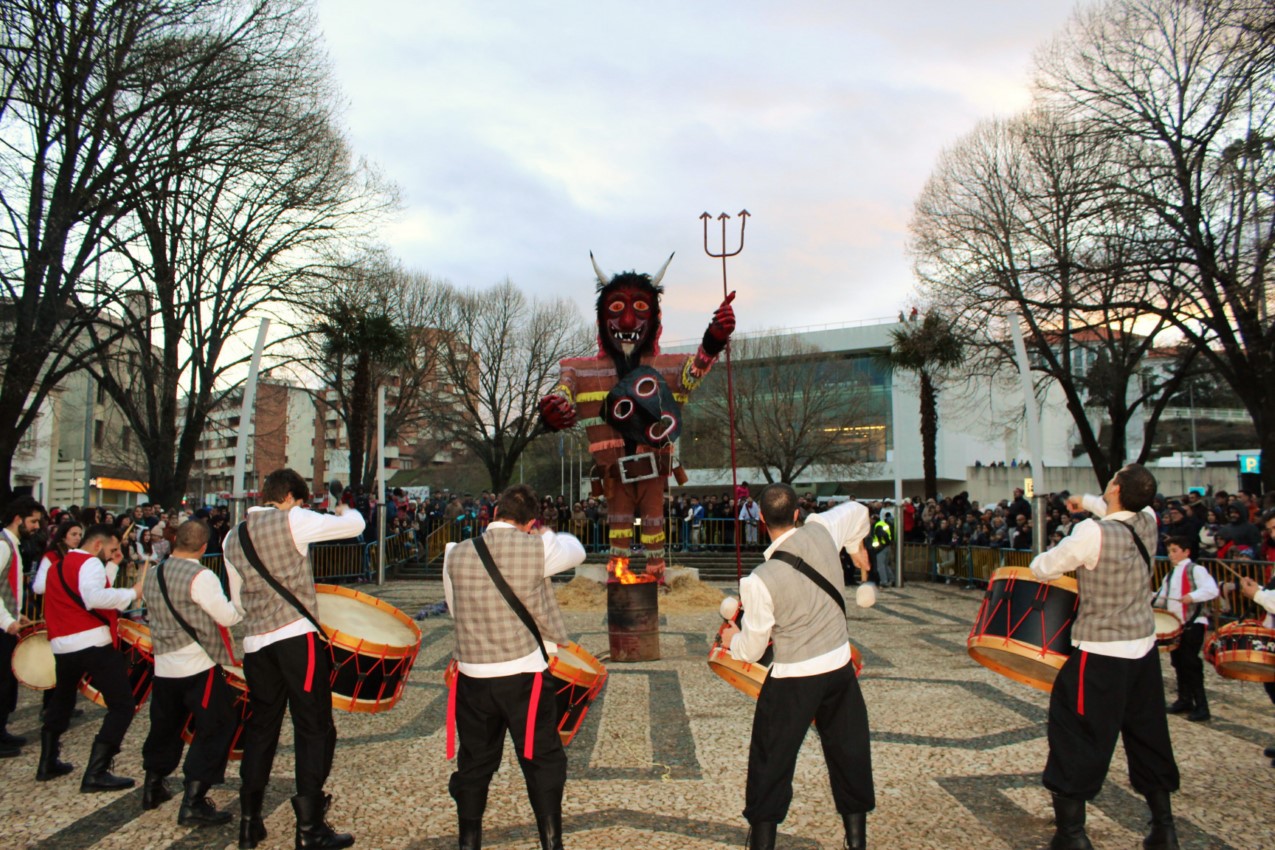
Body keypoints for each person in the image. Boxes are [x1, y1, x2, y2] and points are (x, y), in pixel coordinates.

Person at [1029, 464, 1180, 850]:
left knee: (1076, 737)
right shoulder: (1149, 520)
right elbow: (1123, 511)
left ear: (1115, 488)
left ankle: (1072, 836)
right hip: (1143, 649)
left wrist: (1059, 541)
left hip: (1099, 654)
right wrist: (1091, 503)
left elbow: (1044, 567)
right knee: (1149, 735)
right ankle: (1164, 828)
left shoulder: (1091, 533)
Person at [718, 483, 875, 850]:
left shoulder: (758, 581)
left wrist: (731, 642)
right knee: (849, 754)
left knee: (769, 766)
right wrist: (856, 549)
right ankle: (856, 843)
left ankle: (762, 843)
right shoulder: (822, 529)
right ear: (796, 513)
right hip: (839, 671)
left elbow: (754, 649)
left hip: (792, 680)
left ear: (759, 518)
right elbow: (859, 512)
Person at [222, 468, 365, 850]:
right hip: (295, 640)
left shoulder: (230, 537)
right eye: (299, 501)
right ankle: (310, 829)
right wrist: (341, 506)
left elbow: (237, 603)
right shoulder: (294, 519)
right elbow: (355, 525)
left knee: (261, 729)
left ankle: (250, 823)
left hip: (256, 645)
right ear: (289, 497)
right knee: (313, 727)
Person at [443, 484, 586, 850]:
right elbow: (577, 549)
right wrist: (546, 533)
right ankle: (551, 843)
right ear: (530, 521)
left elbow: (456, 610)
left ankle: (468, 842)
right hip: (524, 674)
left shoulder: (455, 554)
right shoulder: (538, 547)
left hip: (474, 675)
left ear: (494, 513)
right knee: (542, 759)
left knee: (475, 762)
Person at [141, 519, 243, 826]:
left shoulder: (154, 572)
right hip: (197, 662)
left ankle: (153, 786)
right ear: (203, 547)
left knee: (165, 726)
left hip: (163, 663)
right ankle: (194, 800)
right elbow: (227, 616)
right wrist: (239, 598)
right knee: (217, 725)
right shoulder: (201, 575)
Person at [37, 524, 144, 790]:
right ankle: (97, 771)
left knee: (62, 699)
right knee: (123, 705)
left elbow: (82, 588)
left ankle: (47, 761)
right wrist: (133, 593)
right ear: (98, 545)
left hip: (63, 644)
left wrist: (114, 566)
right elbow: (93, 596)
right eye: (111, 549)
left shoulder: (59, 564)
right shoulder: (90, 564)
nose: (112, 554)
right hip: (92, 642)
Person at [1153, 536, 1218, 722]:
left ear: (1186, 551)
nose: (1171, 554)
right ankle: (1184, 699)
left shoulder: (1196, 570)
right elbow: (1161, 597)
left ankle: (1202, 706)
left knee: (1190, 663)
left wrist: (1192, 596)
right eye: (1169, 551)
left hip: (1194, 622)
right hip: (1177, 625)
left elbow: (1212, 590)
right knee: (1178, 662)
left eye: (1175, 550)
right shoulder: (1171, 574)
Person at [1, 497, 45, 758]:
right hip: (3, 627)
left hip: (9, 622)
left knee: (6, 682)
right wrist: (8, 620)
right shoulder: (3, 546)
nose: (36, 526)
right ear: (18, 519)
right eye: (33, 521)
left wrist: (18, 615)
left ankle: (2, 729)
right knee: (1, 682)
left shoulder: (12, 545)